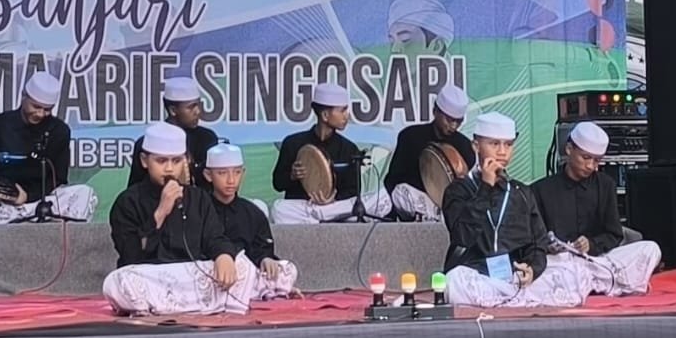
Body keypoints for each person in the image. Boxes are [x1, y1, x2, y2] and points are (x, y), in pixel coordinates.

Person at [103, 122, 257, 316]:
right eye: (161, 161)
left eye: (176, 161)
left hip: (192, 278)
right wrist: (161, 212)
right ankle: (202, 306)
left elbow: (215, 238)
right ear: (144, 161)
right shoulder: (128, 202)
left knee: (242, 266)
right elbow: (130, 255)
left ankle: (175, 307)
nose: (169, 169)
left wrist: (223, 255)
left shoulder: (198, 198)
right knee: (118, 282)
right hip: (152, 278)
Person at [439, 112, 589, 309]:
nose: (502, 152)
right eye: (494, 144)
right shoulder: (458, 189)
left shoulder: (521, 192)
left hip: (513, 276)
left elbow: (538, 243)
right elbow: (463, 237)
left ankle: (509, 298)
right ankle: (514, 300)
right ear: (476, 146)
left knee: (572, 272)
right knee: (454, 281)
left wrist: (532, 269)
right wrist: (485, 187)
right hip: (476, 273)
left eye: (508, 144)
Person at [532, 120, 661, 295]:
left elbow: (614, 234)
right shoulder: (541, 190)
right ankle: (602, 282)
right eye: (586, 158)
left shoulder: (605, 185)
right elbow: (534, 238)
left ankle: (588, 282)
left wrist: (591, 244)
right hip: (561, 262)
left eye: (596, 160)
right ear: (569, 149)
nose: (590, 166)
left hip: (597, 261)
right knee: (548, 266)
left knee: (651, 248)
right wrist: (550, 247)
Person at [0, 72, 97, 224]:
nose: (40, 114)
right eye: (36, 107)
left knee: (85, 194)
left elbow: (59, 177)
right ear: (24, 96)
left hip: (41, 203)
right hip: (1, 204)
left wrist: (27, 196)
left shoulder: (59, 131)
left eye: (47, 109)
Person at [270, 82, 393, 224]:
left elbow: (353, 191)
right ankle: (322, 216)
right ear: (325, 115)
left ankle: (321, 216)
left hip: (335, 206)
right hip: (304, 208)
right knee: (278, 209)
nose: (347, 116)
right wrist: (292, 175)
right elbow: (278, 183)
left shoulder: (349, 148)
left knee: (380, 199)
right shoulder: (293, 143)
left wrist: (332, 199)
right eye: (342, 111)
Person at [202, 142, 298, 300]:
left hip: (247, 273)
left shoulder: (252, 212)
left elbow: (262, 248)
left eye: (237, 172)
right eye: (222, 173)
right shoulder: (200, 209)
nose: (231, 180)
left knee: (286, 269)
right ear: (208, 175)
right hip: (213, 272)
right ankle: (266, 290)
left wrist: (265, 259)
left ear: (243, 173)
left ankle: (263, 288)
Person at [385, 82, 476, 220]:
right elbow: (394, 179)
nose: (453, 126)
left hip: (447, 209)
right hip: (412, 202)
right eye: (449, 120)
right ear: (435, 111)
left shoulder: (464, 146)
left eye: (458, 121)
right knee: (400, 192)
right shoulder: (411, 137)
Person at [128, 75, 219, 185]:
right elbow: (136, 188)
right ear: (173, 110)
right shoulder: (148, 142)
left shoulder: (207, 138)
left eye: (199, 105)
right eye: (191, 107)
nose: (198, 111)